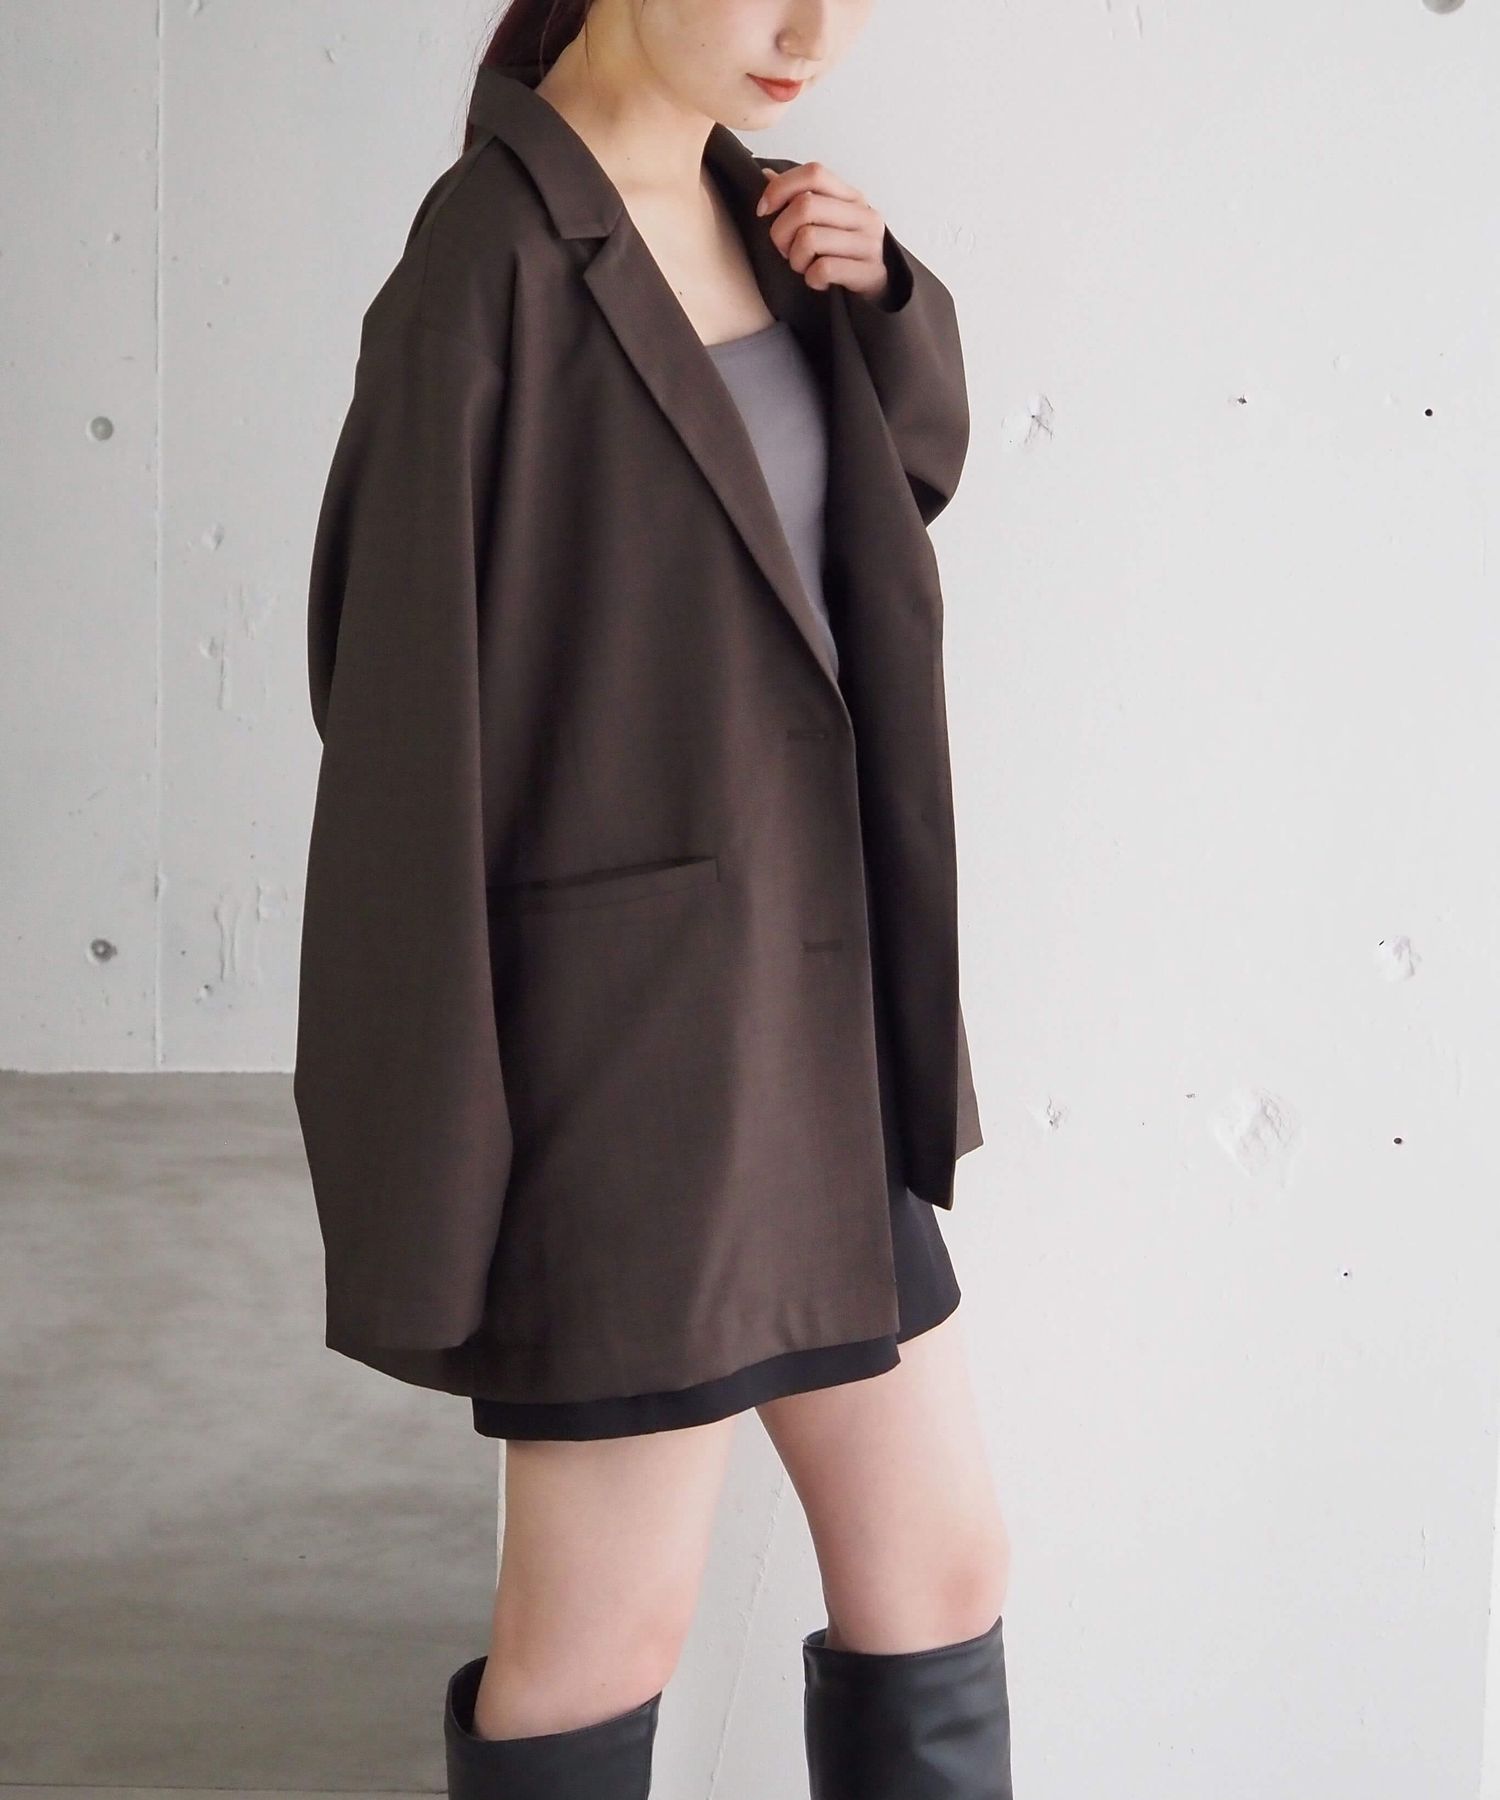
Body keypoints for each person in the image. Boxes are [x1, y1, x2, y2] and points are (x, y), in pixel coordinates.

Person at [294, 2, 1013, 1794]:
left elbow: (876, 508)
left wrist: (882, 301)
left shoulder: (765, 216)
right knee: (597, 1649)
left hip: (812, 1038)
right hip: (632, 1080)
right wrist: (429, 1150)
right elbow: (392, 725)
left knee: (935, 1576)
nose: (813, 31)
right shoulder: (487, 261)